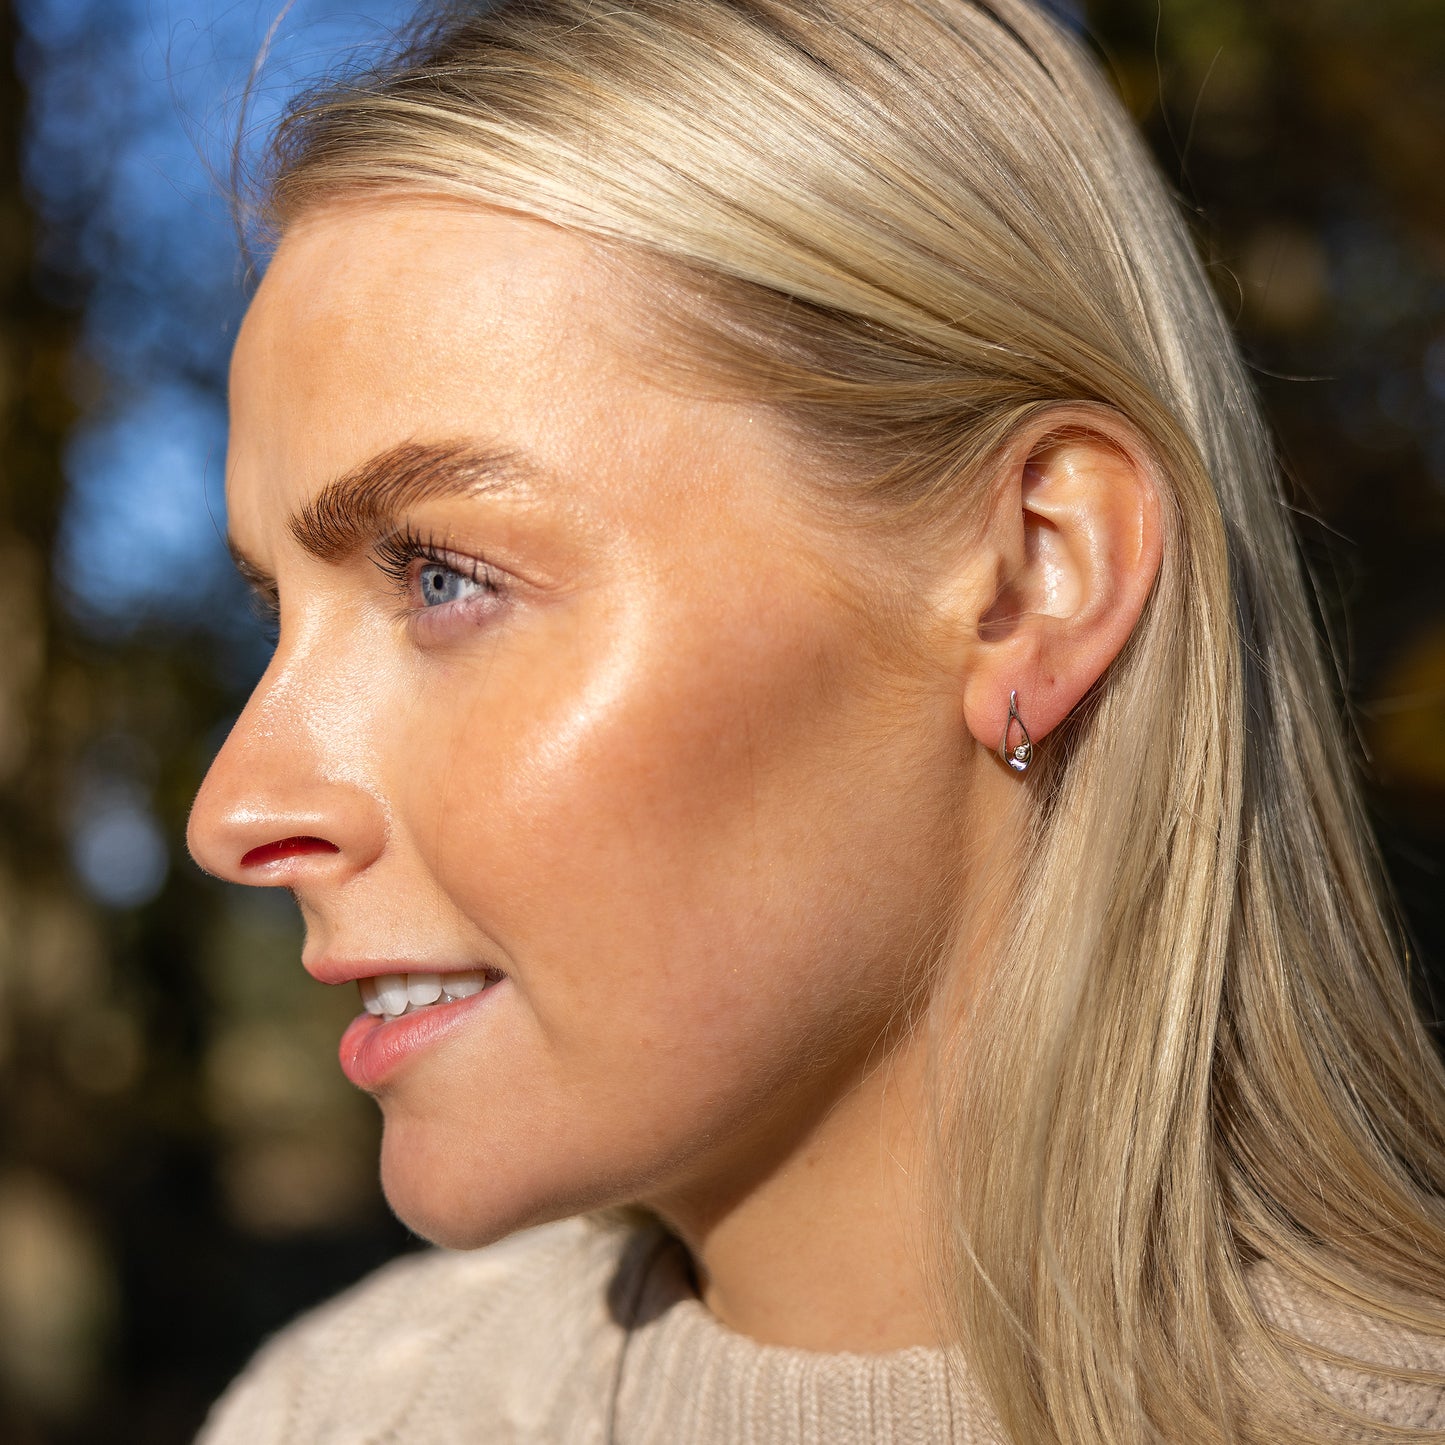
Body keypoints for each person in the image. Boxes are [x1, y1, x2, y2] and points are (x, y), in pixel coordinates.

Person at [185, 1, 1445, 1440]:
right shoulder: (338, 1416)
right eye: (270, 615)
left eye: (441, 576)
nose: (233, 807)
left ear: (1036, 576)